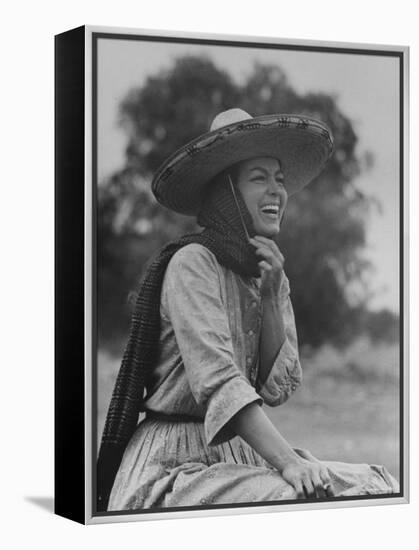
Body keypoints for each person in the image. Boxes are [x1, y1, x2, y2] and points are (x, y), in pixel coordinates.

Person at [97, 108, 399, 512]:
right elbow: (220, 383)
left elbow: (278, 388)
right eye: (259, 178)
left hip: (237, 454)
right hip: (173, 464)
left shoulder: (267, 271)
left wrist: (273, 295)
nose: (276, 190)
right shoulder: (192, 263)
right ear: (228, 193)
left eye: (280, 179)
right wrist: (289, 463)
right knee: (301, 498)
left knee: (376, 484)